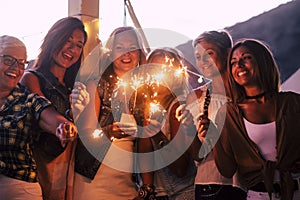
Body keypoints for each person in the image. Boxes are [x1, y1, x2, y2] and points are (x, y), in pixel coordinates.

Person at [212, 38, 300, 200]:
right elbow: (227, 170)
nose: (239, 65)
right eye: (233, 62)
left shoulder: (292, 102)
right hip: (259, 195)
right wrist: (213, 137)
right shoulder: (229, 113)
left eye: (246, 57)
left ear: (263, 61)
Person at [72, 26, 147, 200]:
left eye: (132, 48)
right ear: (110, 53)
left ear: (139, 53)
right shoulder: (97, 85)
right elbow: (85, 135)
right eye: (120, 48)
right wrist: (108, 131)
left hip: (127, 183)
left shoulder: (141, 92)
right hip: (94, 180)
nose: (126, 54)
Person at [0, 35, 77, 200]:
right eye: (8, 60)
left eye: (22, 63)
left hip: (17, 185)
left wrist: (63, 126)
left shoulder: (27, 99)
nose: (16, 68)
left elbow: (48, 115)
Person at [20, 17, 87, 200]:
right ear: (53, 39)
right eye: (67, 41)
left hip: (69, 169)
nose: (72, 50)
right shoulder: (31, 78)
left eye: (79, 45)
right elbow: (43, 113)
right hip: (40, 168)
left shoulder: (74, 86)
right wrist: (63, 125)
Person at [186, 30, 246, 199]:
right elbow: (198, 155)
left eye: (209, 54)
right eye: (198, 57)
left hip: (250, 184)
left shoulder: (246, 92)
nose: (203, 61)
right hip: (210, 185)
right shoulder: (197, 97)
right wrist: (189, 130)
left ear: (227, 52)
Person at [134, 47, 197, 200]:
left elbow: (180, 168)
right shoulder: (150, 106)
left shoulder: (179, 106)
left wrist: (156, 134)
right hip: (159, 194)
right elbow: (145, 155)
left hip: (183, 193)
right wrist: (147, 189)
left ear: (176, 75)